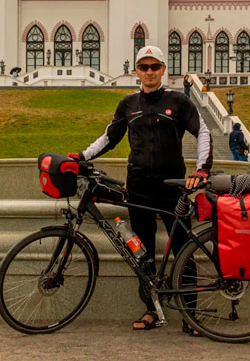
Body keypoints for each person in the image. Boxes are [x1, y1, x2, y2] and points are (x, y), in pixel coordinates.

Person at [71, 45, 212, 335]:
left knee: (184, 250)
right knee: (143, 253)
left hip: (173, 187)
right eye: (144, 67)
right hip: (138, 187)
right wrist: (82, 157)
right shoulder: (128, 104)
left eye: (154, 67)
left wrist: (202, 170)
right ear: (136, 71)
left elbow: (204, 133)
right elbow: (109, 137)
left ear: (163, 69)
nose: (149, 72)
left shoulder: (179, 101)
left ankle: (191, 315)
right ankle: (152, 310)